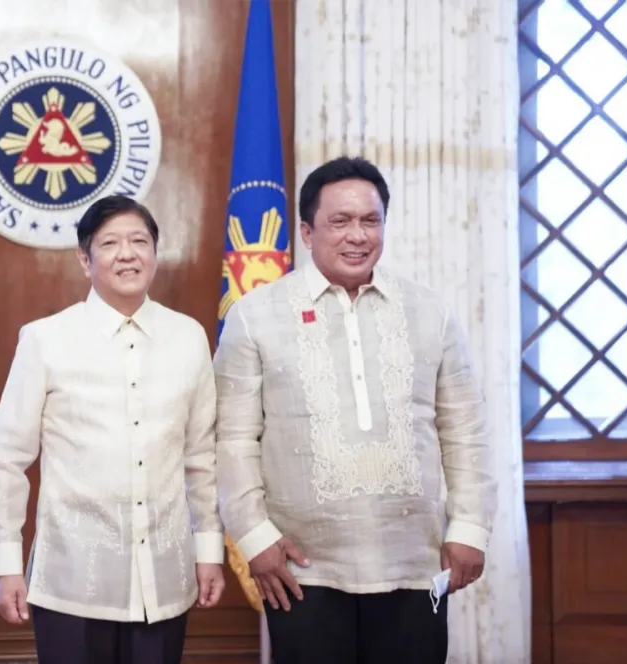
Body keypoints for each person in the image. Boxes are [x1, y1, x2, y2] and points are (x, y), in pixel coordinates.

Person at [213, 157, 497, 664]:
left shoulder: (430, 312)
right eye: (340, 221)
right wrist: (255, 538)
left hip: (414, 563)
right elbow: (232, 440)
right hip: (301, 570)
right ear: (306, 232)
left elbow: (465, 429)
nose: (357, 236)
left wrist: (470, 528)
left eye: (371, 220)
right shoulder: (254, 317)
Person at [0, 195, 226, 664]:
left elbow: (201, 457)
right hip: (72, 582)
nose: (127, 254)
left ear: (155, 252)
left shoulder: (188, 337)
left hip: (164, 579)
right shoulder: (45, 339)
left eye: (140, 241)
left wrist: (209, 550)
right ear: (85, 258)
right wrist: (6, 565)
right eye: (111, 243)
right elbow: (8, 460)